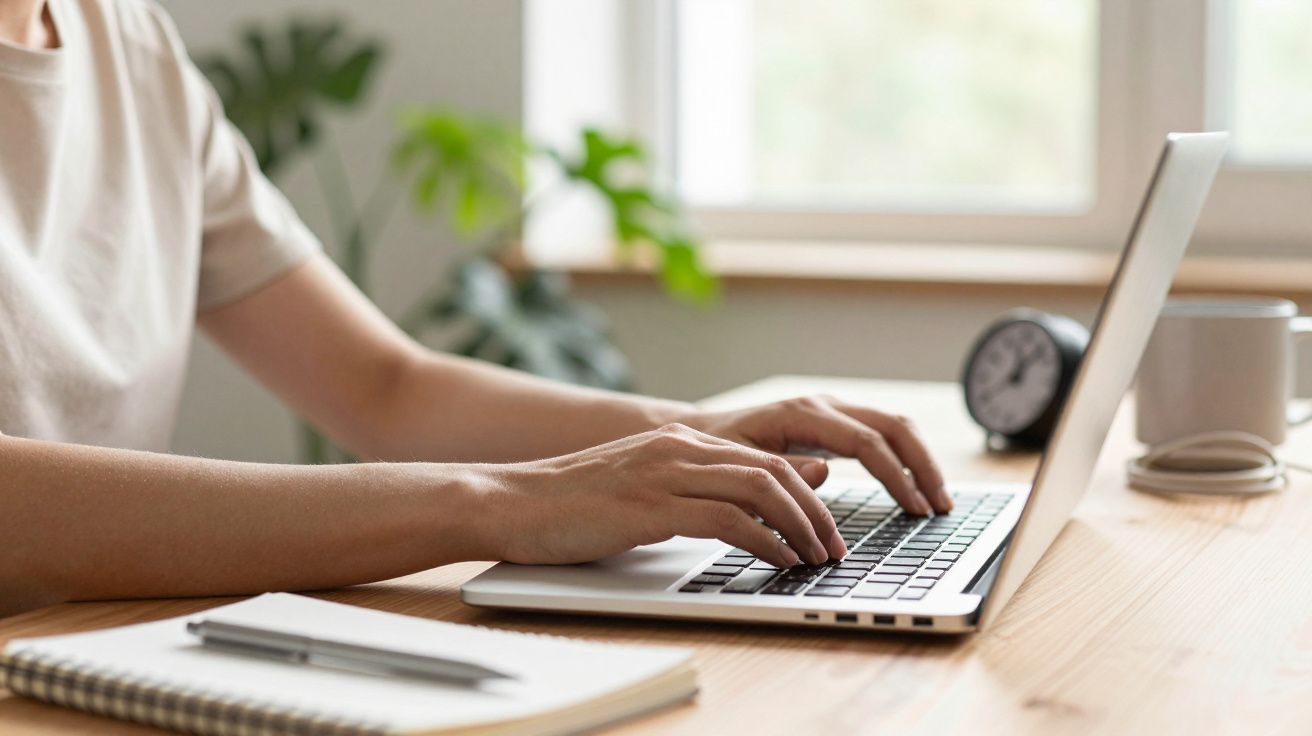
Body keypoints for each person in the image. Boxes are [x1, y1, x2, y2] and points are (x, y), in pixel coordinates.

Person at [0, 0, 951, 618]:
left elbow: (384, 386)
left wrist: (694, 438)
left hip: (80, 648)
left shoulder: (128, 44)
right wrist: (507, 503)